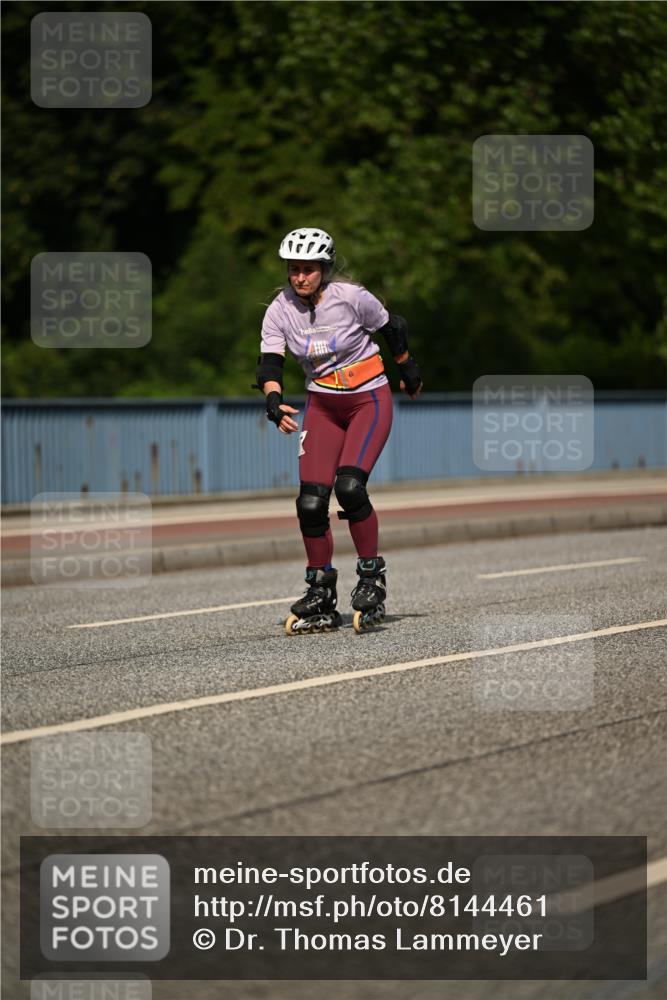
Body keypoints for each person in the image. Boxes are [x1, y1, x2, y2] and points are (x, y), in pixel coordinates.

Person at [255, 227, 422, 633]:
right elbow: (270, 364)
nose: (300, 278)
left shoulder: (352, 297)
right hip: (323, 406)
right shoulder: (279, 310)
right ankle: (321, 589)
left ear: (324, 268)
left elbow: (391, 326)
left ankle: (370, 578)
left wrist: (406, 367)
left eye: (309, 270)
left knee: (350, 488)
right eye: (294, 270)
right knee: (310, 503)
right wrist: (273, 401)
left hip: (369, 400)